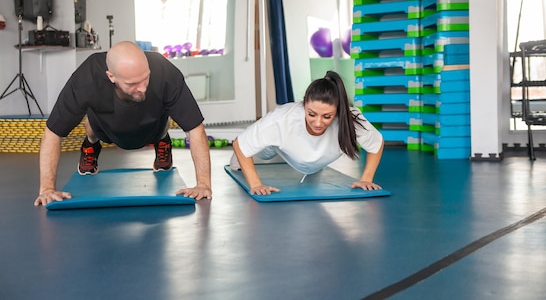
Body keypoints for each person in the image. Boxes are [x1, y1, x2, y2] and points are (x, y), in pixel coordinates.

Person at [34, 41, 212, 206]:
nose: (142, 87)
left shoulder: (165, 72)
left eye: (146, 78)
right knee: (90, 122)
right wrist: (47, 189)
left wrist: (203, 184)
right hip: (104, 127)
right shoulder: (86, 79)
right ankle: (90, 147)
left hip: (152, 126)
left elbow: (194, 128)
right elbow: (53, 132)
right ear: (111, 76)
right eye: (133, 83)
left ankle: (163, 142)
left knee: (165, 120)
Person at [230, 70, 384, 195]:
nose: (318, 123)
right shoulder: (282, 119)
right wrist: (256, 184)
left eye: (327, 116)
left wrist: (366, 179)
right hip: (275, 147)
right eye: (311, 114)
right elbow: (240, 144)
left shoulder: (350, 120)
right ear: (304, 104)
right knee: (254, 152)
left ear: (337, 111)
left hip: (312, 162)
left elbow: (376, 144)